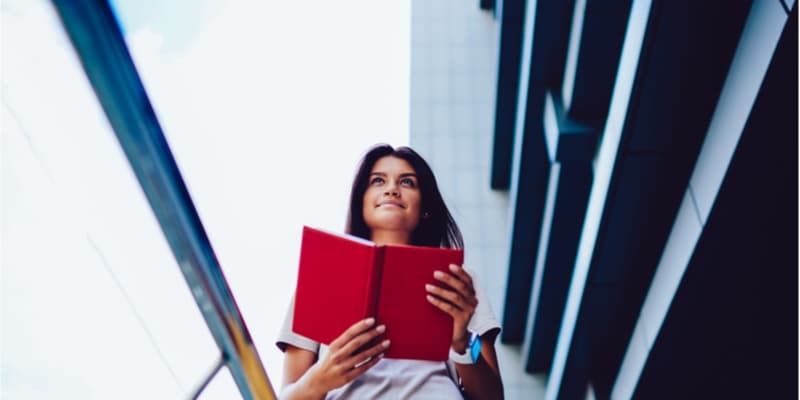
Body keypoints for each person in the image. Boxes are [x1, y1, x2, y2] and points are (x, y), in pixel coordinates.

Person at [276, 144, 504, 399]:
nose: (392, 189)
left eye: (407, 182)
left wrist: (461, 343)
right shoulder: (321, 277)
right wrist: (321, 378)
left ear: (425, 207)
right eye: (377, 180)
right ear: (360, 200)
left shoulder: (457, 281)